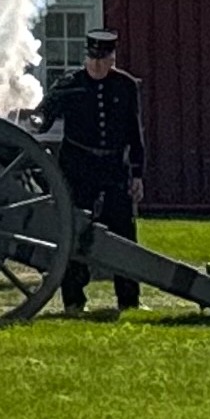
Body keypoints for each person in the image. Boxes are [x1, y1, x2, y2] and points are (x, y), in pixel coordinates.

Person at [34, 29, 143, 313]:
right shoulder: (70, 84)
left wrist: (137, 173)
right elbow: (43, 116)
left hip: (114, 166)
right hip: (78, 166)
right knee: (72, 230)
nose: (96, 65)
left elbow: (134, 132)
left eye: (102, 59)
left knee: (123, 230)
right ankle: (73, 300)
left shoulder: (126, 86)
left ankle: (128, 300)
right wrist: (38, 118)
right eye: (92, 59)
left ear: (112, 59)